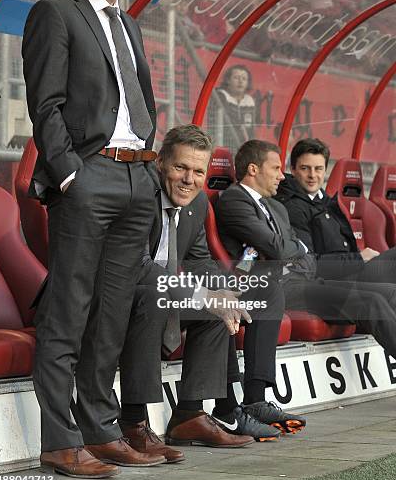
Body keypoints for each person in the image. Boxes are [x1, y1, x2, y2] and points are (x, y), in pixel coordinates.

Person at [22, 0, 164, 478]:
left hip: (136, 179)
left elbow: (142, 103)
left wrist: (147, 171)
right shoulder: (56, 13)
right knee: (68, 313)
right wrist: (69, 176)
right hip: (89, 177)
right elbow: (46, 105)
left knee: (110, 318)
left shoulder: (128, 23)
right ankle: (59, 440)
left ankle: (100, 431)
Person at [119, 126, 303, 453]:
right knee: (156, 296)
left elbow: (201, 262)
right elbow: (141, 268)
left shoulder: (199, 202)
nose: (189, 179)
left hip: (162, 291)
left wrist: (225, 297)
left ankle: (190, 414)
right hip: (121, 295)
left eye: (198, 171)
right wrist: (207, 295)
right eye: (180, 168)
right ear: (160, 163)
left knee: (218, 311)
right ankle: (134, 422)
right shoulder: (139, 194)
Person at [216, 140, 396, 381]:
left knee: (389, 292)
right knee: (372, 300)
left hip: (304, 278)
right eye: (277, 169)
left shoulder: (278, 206)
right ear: (253, 169)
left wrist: (296, 253)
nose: (282, 177)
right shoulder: (237, 199)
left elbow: (300, 252)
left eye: (319, 169)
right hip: (278, 285)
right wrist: (296, 252)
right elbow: (279, 248)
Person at [276, 138, 396, 283]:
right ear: (293, 170)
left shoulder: (327, 201)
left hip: (353, 270)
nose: (312, 175)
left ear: (325, 170)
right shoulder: (292, 207)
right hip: (335, 279)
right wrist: (360, 258)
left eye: (318, 168)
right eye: (305, 168)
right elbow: (308, 263)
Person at [208, 64, 256, 154]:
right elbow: (225, 119)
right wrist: (240, 127)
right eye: (236, 77)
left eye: (244, 78)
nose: (240, 81)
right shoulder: (220, 95)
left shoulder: (249, 100)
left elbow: (251, 129)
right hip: (222, 144)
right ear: (228, 80)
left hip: (243, 149)